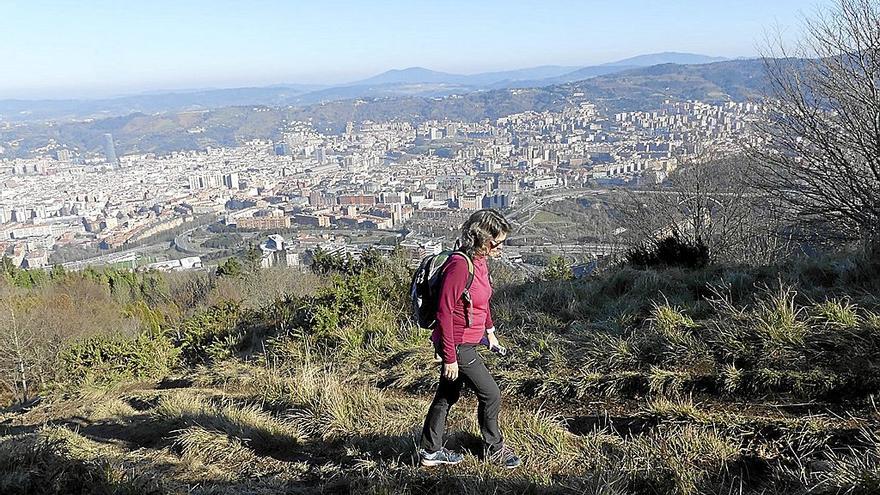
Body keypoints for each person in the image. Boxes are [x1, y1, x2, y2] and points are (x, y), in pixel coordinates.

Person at [418, 209, 521, 469]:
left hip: (465, 341)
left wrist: (489, 332)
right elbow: (444, 312)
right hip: (459, 345)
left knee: (446, 396)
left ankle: (430, 451)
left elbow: (481, 301)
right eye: (497, 242)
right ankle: (494, 449)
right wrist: (450, 357)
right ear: (482, 239)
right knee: (491, 395)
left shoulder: (480, 262)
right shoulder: (459, 265)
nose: (500, 247)